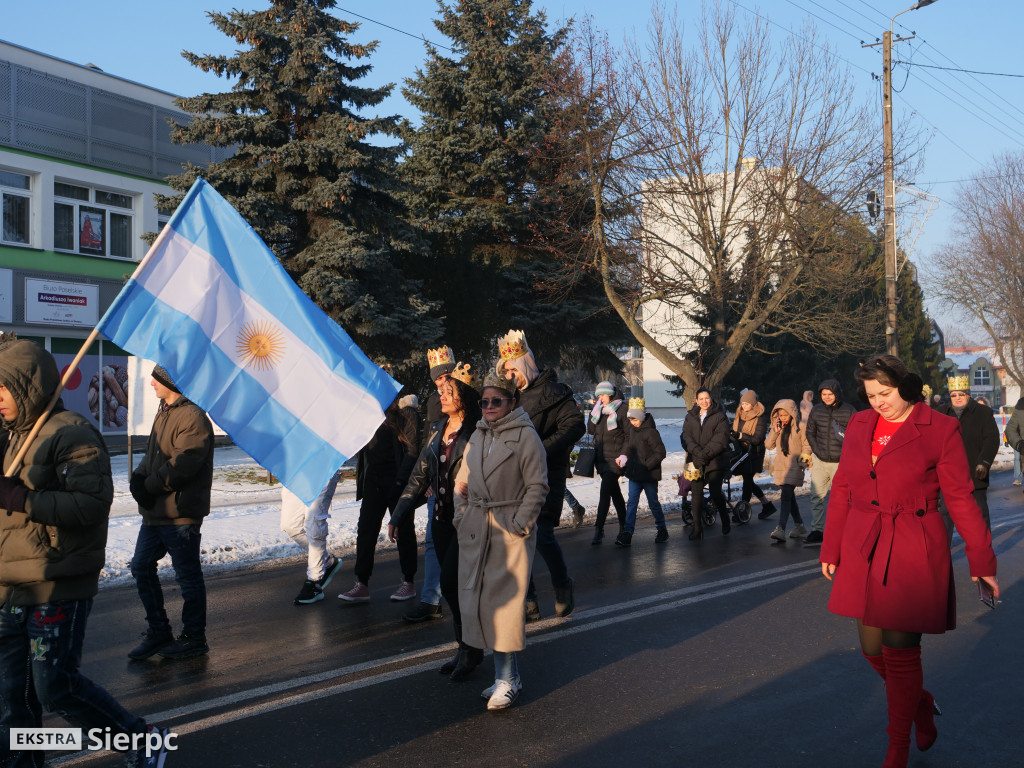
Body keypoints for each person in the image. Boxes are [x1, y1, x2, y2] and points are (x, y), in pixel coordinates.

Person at [820, 354, 998, 768]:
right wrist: (832, 547)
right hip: (864, 542)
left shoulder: (940, 428)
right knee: (871, 650)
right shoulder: (861, 424)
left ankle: (896, 747)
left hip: (912, 545)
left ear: (906, 386)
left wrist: (981, 558)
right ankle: (921, 703)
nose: (877, 402)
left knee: (900, 655)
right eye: (870, 395)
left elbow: (959, 497)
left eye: (884, 393)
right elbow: (844, 486)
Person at [0, 337, 171, 767]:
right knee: (12, 696)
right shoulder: (10, 438)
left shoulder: (72, 432)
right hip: (9, 584)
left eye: (2, 388)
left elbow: (91, 505)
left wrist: (22, 499)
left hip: (56, 582)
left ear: (26, 385)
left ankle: (141, 740)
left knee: (54, 688)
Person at [453, 369, 548, 710]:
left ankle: (508, 679)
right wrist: (461, 516)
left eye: (496, 401)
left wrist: (519, 525)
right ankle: (504, 675)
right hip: (478, 529)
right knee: (479, 605)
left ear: (512, 402)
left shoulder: (526, 437)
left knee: (503, 608)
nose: (489, 407)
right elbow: (461, 483)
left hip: (508, 532)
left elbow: (538, 487)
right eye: (484, 401)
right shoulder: (478, 435)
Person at [389, 366, 483, 680]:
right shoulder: (438, 428)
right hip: (442, 519)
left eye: (448, 392)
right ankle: (464, 647)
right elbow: (420, 474)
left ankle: (472, 649)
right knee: (453, 588)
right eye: (441, 391)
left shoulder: (478, 431)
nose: (441, 395)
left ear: (464, 397)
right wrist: (400, 513)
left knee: (456, 586)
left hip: (467, 520)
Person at [495, 330, 583, 622]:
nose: (509, 375)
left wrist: (540, 450)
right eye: (505, 370)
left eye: (512, 368)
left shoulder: (556, 392)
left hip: (547, 473)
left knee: (542, 534)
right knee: (517, 538)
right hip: (514, 475)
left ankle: (562, 585)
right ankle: (529, 598)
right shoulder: (510, 397)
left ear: (524, 363)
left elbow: (574, 426)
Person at [128, 365, 214, 660]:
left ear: (170, 381)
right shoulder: (164, 409)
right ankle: (158, 631)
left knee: (187, 576)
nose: (151, 383)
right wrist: (138, 479)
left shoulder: (193, 417)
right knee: (140, 566)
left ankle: (193, 636)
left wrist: (149, 486)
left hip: (180, 513)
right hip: (155, 512)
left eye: (156, 378)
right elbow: (153, 455)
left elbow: (182, 464)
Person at [339, 402, 419, 603]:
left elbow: (412, 451)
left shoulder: (404, 414)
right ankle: (362, 584)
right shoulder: (366, 415)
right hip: (373, 481)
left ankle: (408, 583)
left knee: (404, 530)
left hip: (398, 481)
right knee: (366, 530)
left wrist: (402, 482)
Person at [402, 347, 455, 624]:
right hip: (439, 482)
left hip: (465, 485)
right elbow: (429, 444)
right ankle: (431, 600)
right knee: (434, 540)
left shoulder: (467, 396)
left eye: (446, 375)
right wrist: (428, 479)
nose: (442, 382)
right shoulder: (435, 401)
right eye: (437, 379)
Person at [938, 375, 1000, 530]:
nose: (957, 398)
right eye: (953, 395)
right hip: (948, 475)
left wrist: (984, 463)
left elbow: (992, 439)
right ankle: (943, 552)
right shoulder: (941, 413)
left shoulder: (983, 413)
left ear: (968, 394)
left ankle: (983, 550)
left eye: (961, 394)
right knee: (944, 515)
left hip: (974, 472)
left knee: (979, 514)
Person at [803, 379, 857, 545]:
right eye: (824, 394)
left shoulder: (849, 411)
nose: (826, 397)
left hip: (841, 463)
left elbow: (856, 435)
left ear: (837, 394)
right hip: (820, 461)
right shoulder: (817, 411)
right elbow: (810, 433)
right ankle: (817, 530)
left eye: (830, 394)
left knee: (843, 499)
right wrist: (816, 451)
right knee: (816, 496)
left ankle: (846, 530)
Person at [280, 471, 344, 604]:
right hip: (296, 472)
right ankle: (326, 560)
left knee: (315, 528)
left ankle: (315, 583)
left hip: (323, 470)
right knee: (290, 525)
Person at [681, 387, 731, 540]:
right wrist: (697, 452)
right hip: (696, 460)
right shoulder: (690, 416)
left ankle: (724, 518)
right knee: (696, 494)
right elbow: (686, 437)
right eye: (701, 399)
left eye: (707, 398)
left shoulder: (720, 416)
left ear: (711, 399)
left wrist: (704, 454)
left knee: (715, 492)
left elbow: (720, 440)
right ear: (696, 401)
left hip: (715, 460)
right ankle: (697, 528)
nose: (704, 401)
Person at [618, 397, 668, 546]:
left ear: (641, 417)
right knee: (632, 503)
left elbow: (660, 452)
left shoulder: (651, 432)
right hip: (634, 475)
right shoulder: (633, 431)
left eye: (634, 419)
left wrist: (647, 465)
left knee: (653, 503)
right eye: (630, 419)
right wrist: (623, 457)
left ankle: (662, 529)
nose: (632, 422)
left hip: (648, 475)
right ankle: (627, 533)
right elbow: (629, 447)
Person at [764, 399, 812, 543]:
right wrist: (775, 431)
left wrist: (803, 462)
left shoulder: (800, 427)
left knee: (785, 496)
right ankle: (799, 525)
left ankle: (781, 529)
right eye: (780, 415)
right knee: (789, 497)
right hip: (780, 467)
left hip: (794, 466)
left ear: (792, 413)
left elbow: (807, 445)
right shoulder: (778, 428)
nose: (783, 418)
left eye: (785, 415)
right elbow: (769, 445)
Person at [587, 381, 628, 545]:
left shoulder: (622, 409)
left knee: (605, 492)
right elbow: (590, 430)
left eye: (603, 395)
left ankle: (599, 529)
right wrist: (595, 410)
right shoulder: (600, 411)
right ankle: (624, 525)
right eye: (598, 396)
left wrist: (624, 455)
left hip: (616, 459)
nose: (601, 398)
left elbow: (629, 435)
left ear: (610, 393)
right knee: (615, 493)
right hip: (601, 458)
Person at [731, 389, 775, 521]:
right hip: (741, 451)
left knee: (748, 480)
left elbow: (758, 438)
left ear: (753, 404)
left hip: (754, 452)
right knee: (748, 480)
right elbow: (735, 430)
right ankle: (767, 505)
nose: (743, 406)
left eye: (746, 403)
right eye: (742, 403)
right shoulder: (739, 414)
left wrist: (741, 436)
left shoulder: (760, 417)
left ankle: (743, 511)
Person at [1003, 396, 1024, 489]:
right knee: (1017, 458)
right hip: (1019, 442)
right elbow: (1010, 428)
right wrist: (1017, 443)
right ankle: (1018, 478)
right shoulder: (1019, 408)